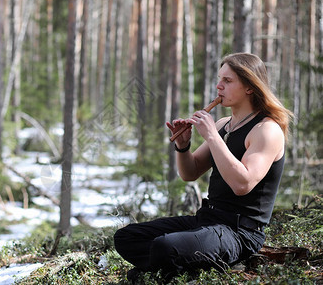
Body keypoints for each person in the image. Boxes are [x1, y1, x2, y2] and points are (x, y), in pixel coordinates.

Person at [113, 53, 293, 282]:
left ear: (249, 87)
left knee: (164, 246)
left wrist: (211, 136)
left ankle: (166, 270)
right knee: (126, 237)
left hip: (240, 233)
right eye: (220, 79)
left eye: (228, 81)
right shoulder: (223, 125)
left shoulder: (267, 130)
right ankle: (168, 268)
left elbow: (243, 184)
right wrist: (183, 146)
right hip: (207, 220)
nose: (219, 86)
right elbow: (190, 173)